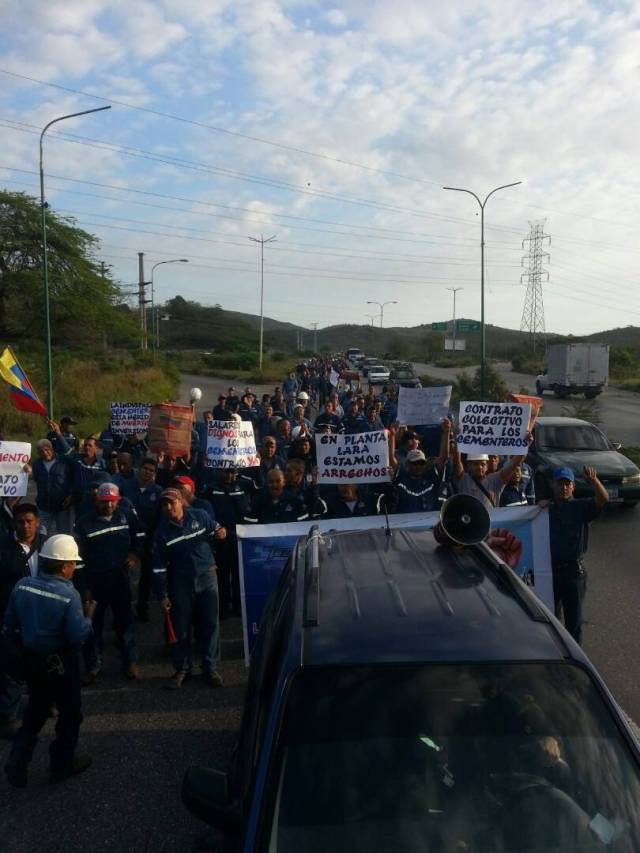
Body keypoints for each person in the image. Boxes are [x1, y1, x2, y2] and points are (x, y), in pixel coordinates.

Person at [3, 535, 94, 787]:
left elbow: (9, 626)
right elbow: (76, 637)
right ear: (64, 565)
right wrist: (89, 619)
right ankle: (62, 764)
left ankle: (17, 762)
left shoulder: (22, 586)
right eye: (73, 564)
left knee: (34, 712)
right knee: (70, 715)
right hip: (62, 664)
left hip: (32, 661)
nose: (74, 568)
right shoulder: (68, 595)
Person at [153, 488, 226, 689]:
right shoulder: (162, 533)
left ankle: (209, 668)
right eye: (164, 505)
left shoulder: (200, 516)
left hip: (207, 576)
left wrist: (221, 532)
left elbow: (218, 529)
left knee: (210, 624)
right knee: (181, 627)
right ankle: (182, 669)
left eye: (172, 502)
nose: (168, 507)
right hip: (181, 582)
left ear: (181, 501)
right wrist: (162, 594)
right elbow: (158, 568)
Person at [74, 483, 143, 681]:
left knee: (125, 621)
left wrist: (134, 554)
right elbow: (77, 559)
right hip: (95, 581)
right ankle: (94, 665)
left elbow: (140, 534)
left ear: (118, 500)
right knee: (94, 625)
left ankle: (130, 661)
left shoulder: (126, 515)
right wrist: (84, 588)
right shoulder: (83, 523)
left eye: (113, 501)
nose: (109, 505)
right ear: (97, 500)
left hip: (120, 578)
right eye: (105, 502)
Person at [0, 503, 48, 737]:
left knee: (45, 661)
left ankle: (45, 703)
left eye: (30, 521)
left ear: (37, 522)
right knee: (13, 666)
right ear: (13, 523)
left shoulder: (48, 544)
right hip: (15, 614)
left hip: (43, 612)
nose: (26, 525)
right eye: (21, 521)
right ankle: (8, 716)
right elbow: (8, 570)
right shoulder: (5, 548)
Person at [546, 466, 608, 644]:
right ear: (553, 485)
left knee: (573, 623)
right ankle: (555, 657)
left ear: (573, 487)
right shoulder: (546, 510)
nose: (563, 487)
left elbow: (603, 498)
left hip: (573, 575)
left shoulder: (580, 507)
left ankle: (574, 663)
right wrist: (539, 507)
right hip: (551, 573)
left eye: (567, 484)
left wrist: (594, 481)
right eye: (560, 484)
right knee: (551, 619)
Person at [121, 458, 163, 623]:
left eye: (152, 470)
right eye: (145, 468)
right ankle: (123, 610)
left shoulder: (158, 492)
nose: (147, 472)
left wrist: (155, 541)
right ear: (140, 469)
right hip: (127, 539)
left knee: (146, 577)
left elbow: (160, 519)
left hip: (148, 540)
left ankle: (142, 608)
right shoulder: (126, 487)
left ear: (155, 474)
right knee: (124, 576)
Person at [209, 469, 250, 618]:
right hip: (220, 537)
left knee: (238, 573)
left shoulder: (243, 485)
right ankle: (224, 606)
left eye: (232, 472)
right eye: (226, 472)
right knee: (223, 574)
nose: (229, 475)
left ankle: (238, 605)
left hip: (238, 535)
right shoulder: (211, 487)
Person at [452, 436, 532, 511]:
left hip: (491, 523)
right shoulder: (463, 479)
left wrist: (525, 445)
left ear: (487, 465)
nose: (479, 467)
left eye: (482, 464)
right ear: (468, 466)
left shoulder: (495, 479)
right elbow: (456, 461)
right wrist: (457, 438)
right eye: (475, 464)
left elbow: (513, 464)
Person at [389, 419, 451, 514]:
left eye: (421, 463)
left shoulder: (431, 476)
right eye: (415, 463)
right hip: (403, 524)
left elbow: (444, 457)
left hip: (428, 523)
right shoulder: (402, 476)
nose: (418, 466)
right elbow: (391, 459)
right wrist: (392, 435)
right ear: (408, 464)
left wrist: (446, 432)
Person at [32, 434, 73, 535]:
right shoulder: (36, 465)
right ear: (38, 453)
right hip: (43, 508)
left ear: (51, 448)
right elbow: (36, 480)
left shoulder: (64, 461)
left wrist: (71, 495)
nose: (45, 453)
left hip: (62, 507)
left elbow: (72, 479)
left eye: (47, 450)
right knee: (40, 536)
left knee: (64, 536)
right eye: (41, 451)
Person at [245, 470, 309, 524]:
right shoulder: (257, 501)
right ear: (267, 483)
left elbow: (304, 525)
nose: (274, 485)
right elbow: (248, 525)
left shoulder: (294, 501)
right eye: (271, 482)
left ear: (284, 482)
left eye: (278, 481)